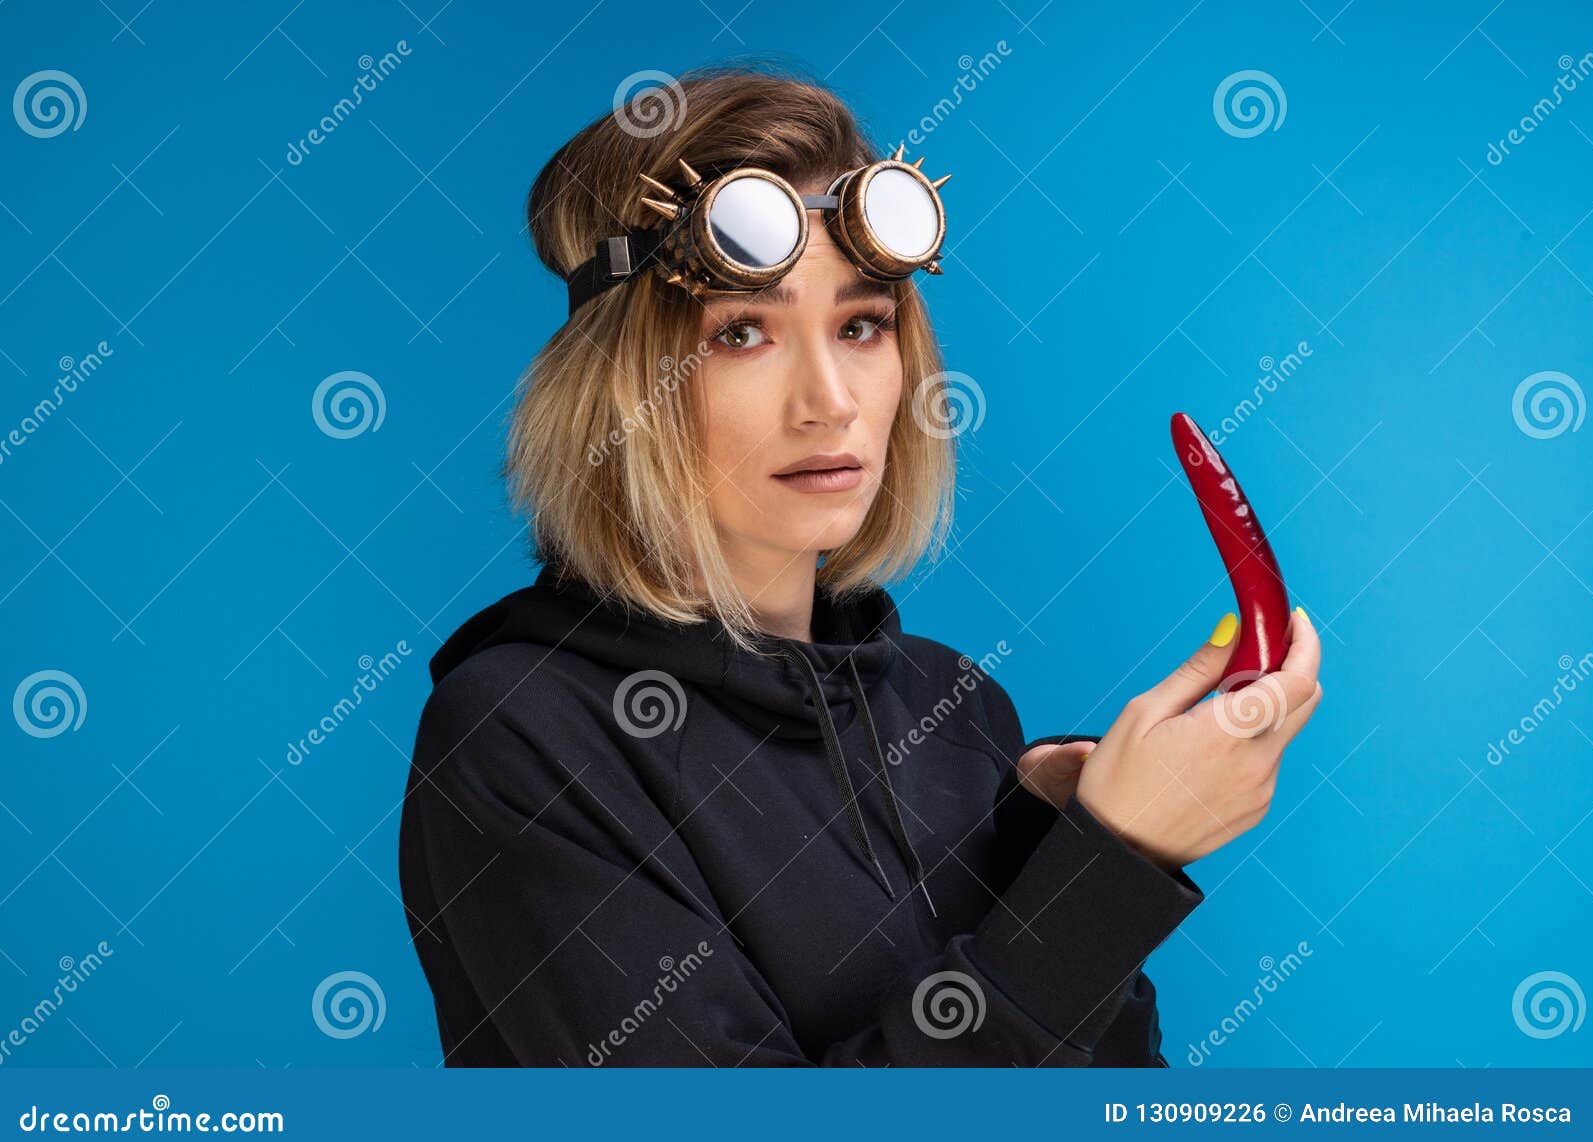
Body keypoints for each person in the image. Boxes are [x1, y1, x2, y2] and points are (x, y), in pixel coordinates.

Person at [396, 65, 1323, 1067]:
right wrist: (1112, 870)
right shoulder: (523, 736)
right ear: (626, 390)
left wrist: (1051, 850)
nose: (828, 399)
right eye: (741, 332)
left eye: (861, 325)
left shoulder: (956, 709)